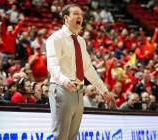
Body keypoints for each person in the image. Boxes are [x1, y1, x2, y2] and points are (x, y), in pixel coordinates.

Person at [46, 4, 114, 140]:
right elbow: (52, 64)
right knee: (60, 136)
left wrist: (104, 90)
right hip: (62, 88)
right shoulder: (56, 38)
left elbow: (88, 69)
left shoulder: (81, 41)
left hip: (79, 91)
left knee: (72, 137)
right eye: (76, 14)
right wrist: (64, 80)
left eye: (81, 15)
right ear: (66, 17)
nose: (80, 17)